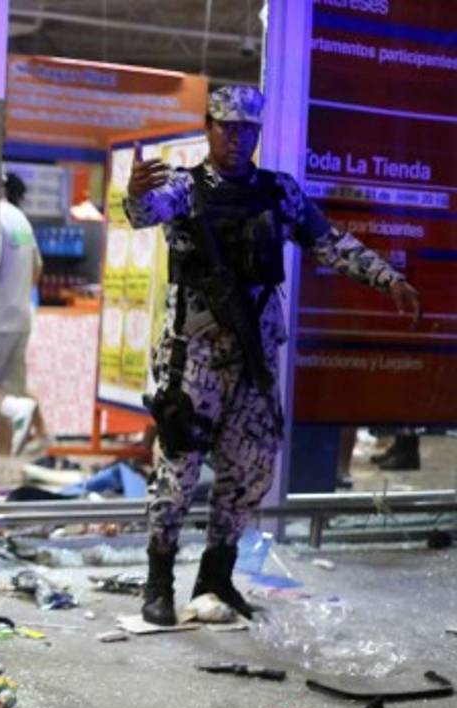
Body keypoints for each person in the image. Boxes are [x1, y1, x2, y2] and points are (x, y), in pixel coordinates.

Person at [125, 85, 422, 625]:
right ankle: (159, 580)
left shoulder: (277, 191)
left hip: (255, 358)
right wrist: (136, 193)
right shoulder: (184, 189)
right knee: (177, 473)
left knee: (248, 472)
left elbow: (329, 241)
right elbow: (144, 213)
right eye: (227, 127)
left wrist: (387, 278)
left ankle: (215, 579)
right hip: (193, 359)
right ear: (209, 127)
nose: (237, 138)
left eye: (248, 129)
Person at [0, 173, 45, 456]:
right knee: (8, 395)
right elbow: (38, 267)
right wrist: (19, 294)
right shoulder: (20, 218)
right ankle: (3, 465)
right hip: (20, 316)